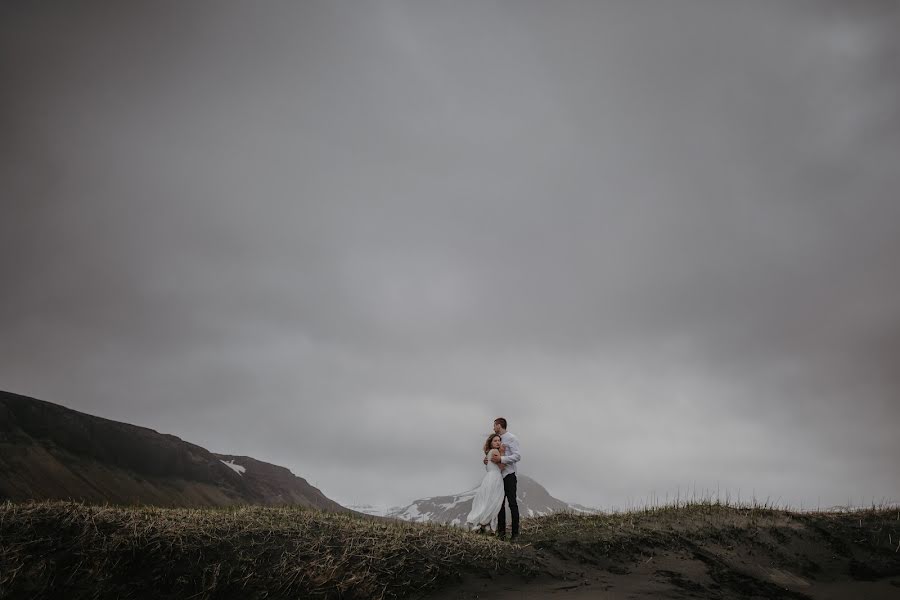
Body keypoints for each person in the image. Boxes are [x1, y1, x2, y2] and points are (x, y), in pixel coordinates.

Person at [485, 417, 521, 541]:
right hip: (498, 477)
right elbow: (493, 453)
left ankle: (515, 534)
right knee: (499, 504)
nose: (493, 428)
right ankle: (501, 534)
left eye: (494, 426)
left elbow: (517, 456)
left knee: (512, 504)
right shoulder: (496, 440)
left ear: (499, 425)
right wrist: (488, 460)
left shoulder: (512, 438)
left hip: (509, 475)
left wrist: (502, 459)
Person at [465, 433, 506, 532]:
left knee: (486, 500)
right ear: (491, 443)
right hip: (495, 478)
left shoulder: (489, 452)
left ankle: (482, 523)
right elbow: (502, 467)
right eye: (495, 441)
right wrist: (503, 453)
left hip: (489, 478)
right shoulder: (496, 451)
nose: (498, 442)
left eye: (499, 440)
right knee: (493, 501)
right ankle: (485, 523)